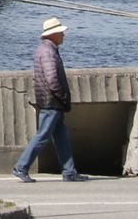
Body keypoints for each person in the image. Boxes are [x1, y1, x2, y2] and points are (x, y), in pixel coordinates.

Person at [13, 16, 86, 183]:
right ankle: (21, 167)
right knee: (43, 136)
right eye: (61, 32)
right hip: (51, 101)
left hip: (52, 101)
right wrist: (62, 97)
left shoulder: (47, 49)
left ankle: (69, 172)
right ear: (53, 34)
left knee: (62, 137)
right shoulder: (48, 52)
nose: (63, 35)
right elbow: (52, 79)